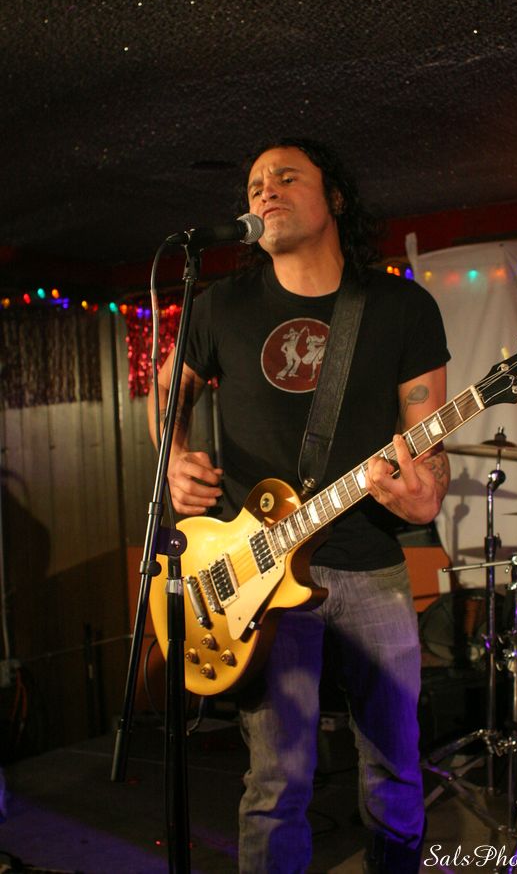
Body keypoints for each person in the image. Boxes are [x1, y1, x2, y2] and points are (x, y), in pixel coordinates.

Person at [150, 137, 451, 873]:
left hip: (368, 563)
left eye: (286, 177)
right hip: (251, 574)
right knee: (276, 781)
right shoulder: (220, 305)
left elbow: (429, 443)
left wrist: (426, 493)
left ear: (334, 197)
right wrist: (175, 457)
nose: (265, 191)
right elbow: (166, 394)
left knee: (395, 770)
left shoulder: (400, 306)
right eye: (255, 183)